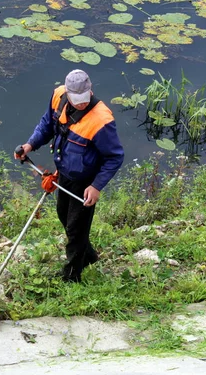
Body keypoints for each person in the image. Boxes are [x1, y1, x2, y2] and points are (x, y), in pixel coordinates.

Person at [15, 69, 124, 283]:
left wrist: (96, 186)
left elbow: (114, 157)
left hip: (85, 181)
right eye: (77, 100)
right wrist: (30, 145)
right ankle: (89, 256)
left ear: (90, 90)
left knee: (76, 228)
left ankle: (72, 276)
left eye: (85, 99)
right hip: (64, 171)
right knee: (63, 215)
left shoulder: (101, 120)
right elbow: (47, 125)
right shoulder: (58, 96)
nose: (82, 104)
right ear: (68, 93)